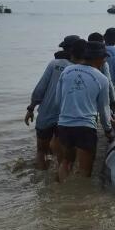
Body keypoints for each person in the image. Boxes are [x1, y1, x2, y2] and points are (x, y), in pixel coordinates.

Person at [55, 40, 113, 182]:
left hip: (64, 125)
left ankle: (58, 191)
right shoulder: (102, 79)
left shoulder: (67, 71)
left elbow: (58, 100)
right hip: (85, 128)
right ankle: (81, 200)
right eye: (104, 57)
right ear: (99, 58)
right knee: (85, 172)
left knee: (66, 162)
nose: (104, 60)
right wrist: (108, 130)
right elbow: (104, 110)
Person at [24, 34, 78, 169]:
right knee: (62, 153)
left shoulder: (54, 64)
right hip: (65, 117)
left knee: (41, 151)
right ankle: (59, 181)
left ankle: (40, 178)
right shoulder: (79, 69)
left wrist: (31, 108)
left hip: (46, 114)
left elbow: (40, 88)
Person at [88, 33, 115, 111]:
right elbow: (109, 82)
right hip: (102, 96)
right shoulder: (103, 65)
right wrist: (113, 102)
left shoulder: (77, 65)